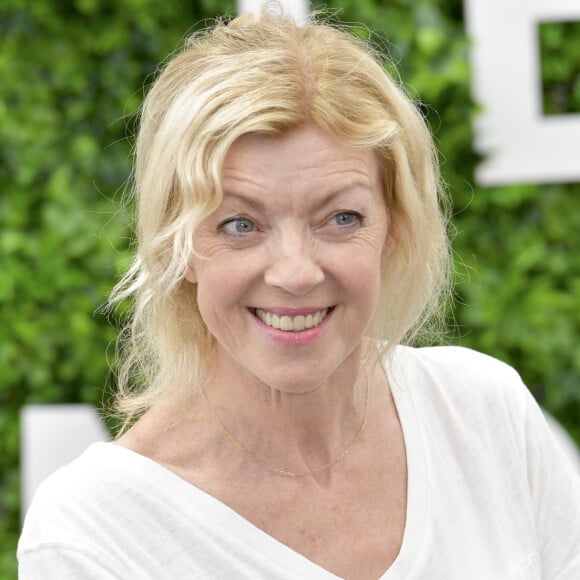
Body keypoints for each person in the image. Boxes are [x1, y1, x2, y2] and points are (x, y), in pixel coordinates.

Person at [18, 9, 580, 579]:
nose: (294, 273)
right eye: (241, 224)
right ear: (175, 246)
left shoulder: (486, 414)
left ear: (395, 227)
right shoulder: (94, 535)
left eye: (340, 217)